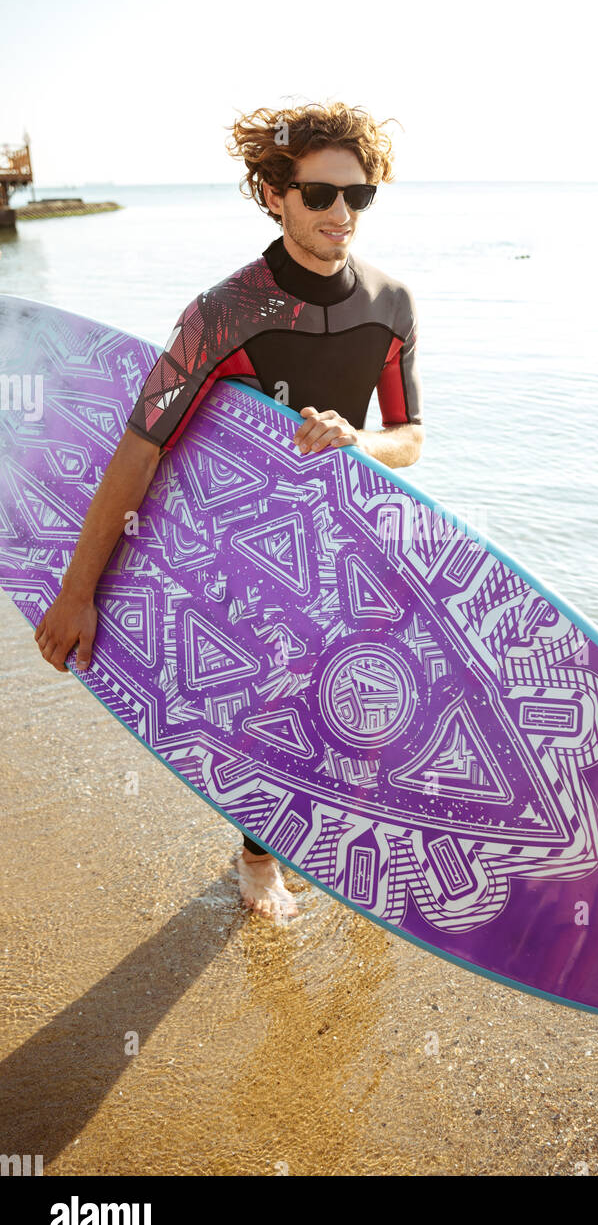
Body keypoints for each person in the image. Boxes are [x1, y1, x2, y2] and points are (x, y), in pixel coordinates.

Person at [33, 100, 424, 922]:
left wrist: (358, 440)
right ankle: (257, 859)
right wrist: (78, 591)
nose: (340, 214)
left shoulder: (391, 304)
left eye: (358, 197)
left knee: (365, 709)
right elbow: (142, 448)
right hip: (248, 554)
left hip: (353, 540)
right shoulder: (221, 313)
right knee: (273, 712)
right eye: (318, 195)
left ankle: (354, 854)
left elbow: (412, 438)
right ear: (276, 195)